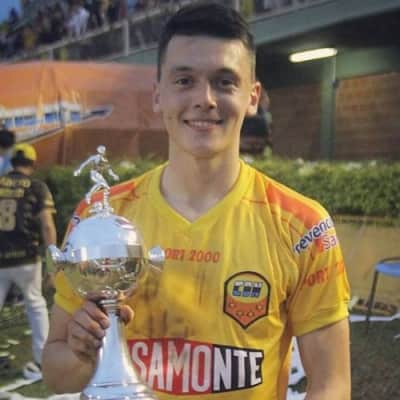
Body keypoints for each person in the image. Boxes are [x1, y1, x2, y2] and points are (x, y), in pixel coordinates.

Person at [43, 3, 351, 399]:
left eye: (225, 82)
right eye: (184, 80)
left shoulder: (303, 227)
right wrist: (81, 350)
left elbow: (331, 383)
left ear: (253, 97)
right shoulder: (101, 219)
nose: (205, 98)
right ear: (158, 94)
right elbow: (58, 376)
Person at [0, 143, 57, 380]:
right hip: (26, 257)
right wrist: (52, 264)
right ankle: (42, 360)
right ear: (32, 164)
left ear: (12, 163)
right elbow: (47, 226)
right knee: (35, 305)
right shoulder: (36, 187)